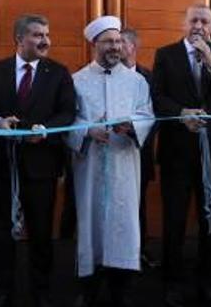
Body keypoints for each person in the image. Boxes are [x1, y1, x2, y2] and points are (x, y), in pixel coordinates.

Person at [0, 14, 76, 307]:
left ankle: (41, 292)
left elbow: (67, 112)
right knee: (1, 233)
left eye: (46, 34)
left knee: (41, 233)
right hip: (2, 166)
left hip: (41, 166)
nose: (45, 40)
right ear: (19, 39)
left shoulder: (59, 73)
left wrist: (45, 130)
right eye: (37, 35)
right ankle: (2, 291)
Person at [152, 3, 211, 307]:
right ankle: (172, 284)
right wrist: (180, 113)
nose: (199, 26)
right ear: (183, 23)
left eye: (205, 21)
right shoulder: (166, 55)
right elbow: (157, 97)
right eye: (194, 20)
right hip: (177, 152)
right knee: (174, 222)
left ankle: (208, 283)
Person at [67, 16, 155, 307]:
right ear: (95, 44)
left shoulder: (137, 81)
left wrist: (132, 126)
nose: (115, 47)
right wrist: (87, 130)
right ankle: (89, 288)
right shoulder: (77, 80)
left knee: (124, 223)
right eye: (108, 41)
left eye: (118, 41)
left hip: (124, 163)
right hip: (90, 164)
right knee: (91, 222)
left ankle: (122, 290)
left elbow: (147, 114)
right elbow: (69, 120)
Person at [120, 27, 158, 269]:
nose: (115, 46)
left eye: (121, 42)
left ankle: (138, 251)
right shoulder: (100, 75)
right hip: (107, 150)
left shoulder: (150, 78)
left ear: (133, 47)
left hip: (138, 151)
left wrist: (135, 131)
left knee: (137, 205)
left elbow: (156, 115)